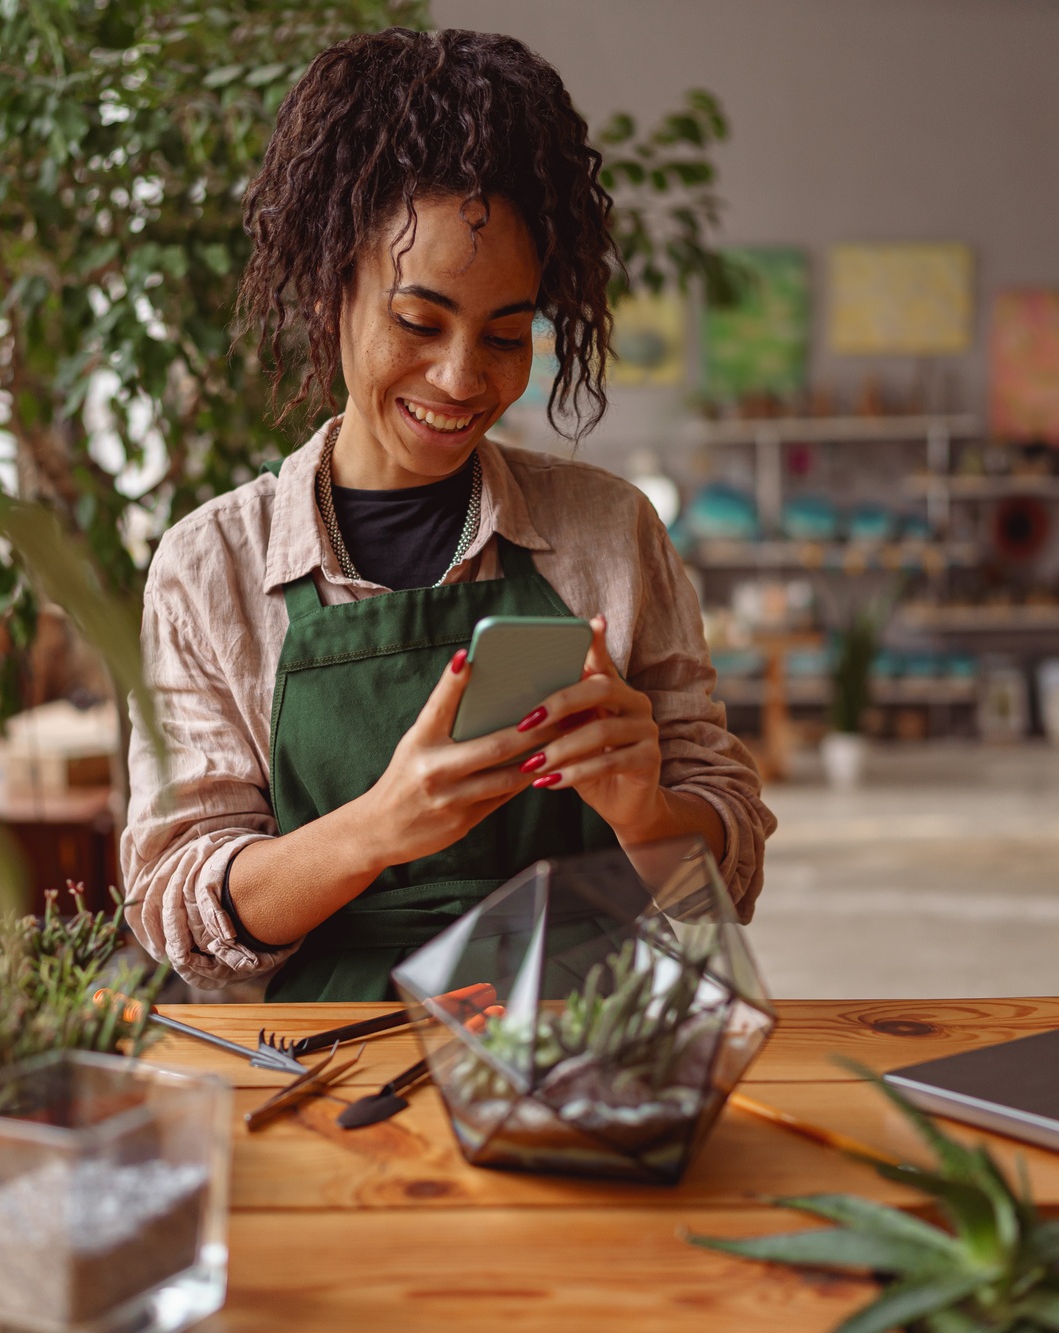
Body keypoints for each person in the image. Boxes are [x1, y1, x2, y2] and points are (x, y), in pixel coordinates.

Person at [122, 27, 773, 1001]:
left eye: (506, 334)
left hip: (569, 1053)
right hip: (313, 1066)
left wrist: (645, 811)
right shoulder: (211, 565)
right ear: (327, 288)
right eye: (417, 323)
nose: (463, 378)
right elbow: (177, 905)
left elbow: (716, 882)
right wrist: (380, 824)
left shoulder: (608, 534)